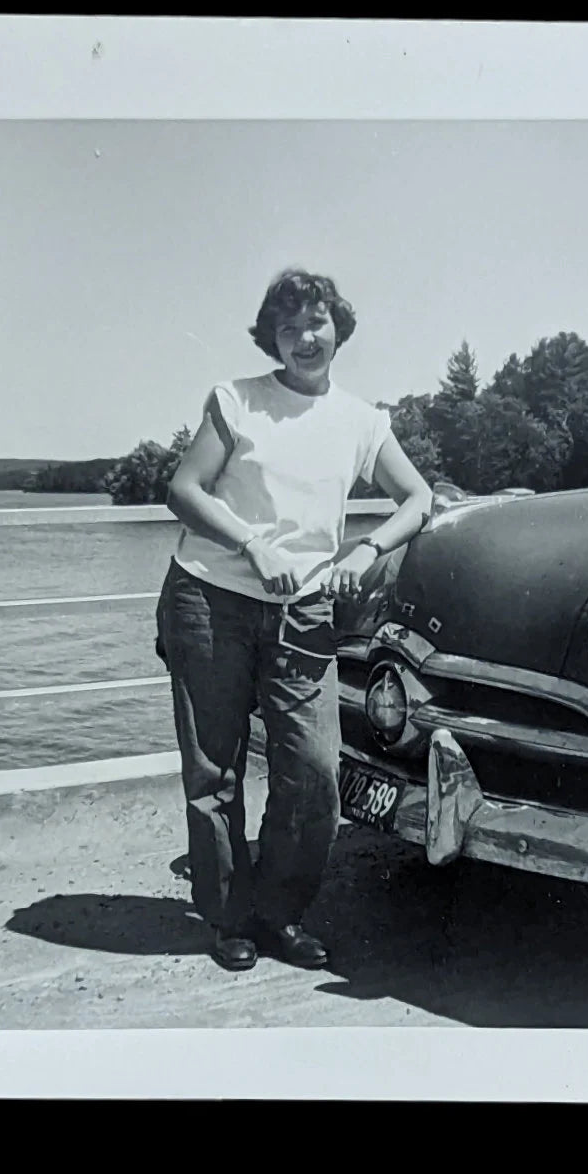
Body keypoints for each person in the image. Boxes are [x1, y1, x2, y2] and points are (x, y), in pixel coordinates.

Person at [157, 268, 432, 971]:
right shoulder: (238, 401)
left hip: (305, 609)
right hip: (210, 598)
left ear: (338, 328)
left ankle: (280, 915)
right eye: (287, 328)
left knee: (311, 771)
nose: (303, 339)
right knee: (214, 769)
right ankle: (227, 920)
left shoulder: (363, 421)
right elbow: (184, 489)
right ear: (270, 338)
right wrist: (249, 542)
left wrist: (367, 547)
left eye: (315, 323)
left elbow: (417, 498)